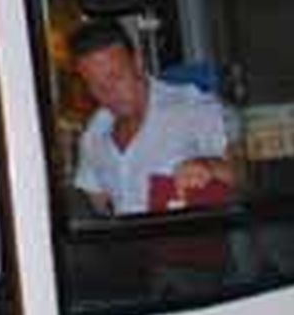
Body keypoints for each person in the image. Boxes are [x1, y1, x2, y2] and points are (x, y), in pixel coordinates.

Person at [70, 19, 234, 216]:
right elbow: (97, 202)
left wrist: (209, 166)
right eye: (95, 85)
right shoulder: (94, 132)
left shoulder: (189, 107)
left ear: (138, 63)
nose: (109, 92)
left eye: (115, 77)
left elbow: (246, 174)